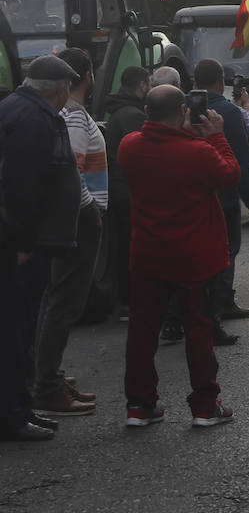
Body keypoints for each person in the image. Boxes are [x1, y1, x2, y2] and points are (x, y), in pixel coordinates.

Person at [120, 84, 239, 429]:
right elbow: (230, 174)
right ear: (183, 114)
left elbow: (158, 150)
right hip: (193, 259)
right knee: (198, 332)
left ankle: (140, 406)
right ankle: (204, 405)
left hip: (147, 257)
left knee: (142, 333)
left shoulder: (129, 148)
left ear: (146, 114)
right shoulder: (198, 152)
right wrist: (214, 136)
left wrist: (187, 135)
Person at [0, 54, 82, 442]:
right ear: (61, 88)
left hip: (26, 241)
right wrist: (21, 243)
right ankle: (13, 416)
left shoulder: (20, 109)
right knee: (16, 331)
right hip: (23, 245)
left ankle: (21, 408)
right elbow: (21, 188)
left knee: (19, 329)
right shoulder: (33, 119)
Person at [31, 48, 107, 416]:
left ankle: (47, 373)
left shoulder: (68, 113)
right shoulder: (74, 116)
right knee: (64, 303)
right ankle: (46, 384)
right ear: (87, 76)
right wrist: (90, 207)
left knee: (55, 300)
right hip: (80, 220)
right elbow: (71, 171)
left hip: (72, 217)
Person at [193, 59, 249, 326]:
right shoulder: (229, 113)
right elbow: (243, 162)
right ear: (222, 82)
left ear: (194, 81)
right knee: (227, 249)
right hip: (223, 195)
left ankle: (190, 305)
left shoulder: (181, 106)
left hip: (190, 195)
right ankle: (221, 301)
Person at [104, 66, 151, 322]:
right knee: (133, 249)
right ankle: (131, 304)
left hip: (119, 189)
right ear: (142, 85)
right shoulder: (133, 116)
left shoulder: (119, 112)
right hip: (129, 192)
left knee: (125, 247)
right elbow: (143, 157)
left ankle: (128, 302)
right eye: (150, 83)